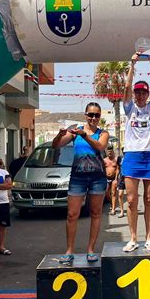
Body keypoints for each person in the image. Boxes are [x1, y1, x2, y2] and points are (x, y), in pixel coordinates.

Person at [52, 102, 109, 263]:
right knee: (72, 214)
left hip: (97, 177)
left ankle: (91, 249)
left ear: (99, 117)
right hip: (78, 177)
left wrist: (85, 135)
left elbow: (100, 146)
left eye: (96, 115)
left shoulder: (102, 133)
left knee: (96, 213)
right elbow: (56, 145)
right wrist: (60, 134)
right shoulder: (75, 132)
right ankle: (69, 250)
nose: (93, 118)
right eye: (90, 115)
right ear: (85, 115)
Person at [121, 53, 150, 252]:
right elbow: (126, 88)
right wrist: (133, 64)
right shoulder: (129, 109)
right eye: (137, 93)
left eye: (142, 93)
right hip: (132, 156)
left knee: (149, 199)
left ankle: (149, 237)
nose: (139, 95)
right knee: (131, 200)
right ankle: (133, 238)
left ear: (147, 94)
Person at [105, 146, 120, 215]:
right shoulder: (104, 160)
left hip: (114, 178)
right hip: (106, 179)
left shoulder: (116, 159)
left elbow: (118, 169)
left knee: (113, 193)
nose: (110, 153)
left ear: (113, 152)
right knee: (107, 193)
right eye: (108, 152)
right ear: (107, 153)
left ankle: (113, 209)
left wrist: (116, 179)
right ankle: (112, 203)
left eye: (111, 152)